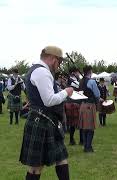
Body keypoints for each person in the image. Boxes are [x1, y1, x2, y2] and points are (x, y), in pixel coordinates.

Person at [19, 46, 73, 180]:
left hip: (46, 120)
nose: (59, 66)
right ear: (53, 59)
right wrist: (66, 92)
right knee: (35, 167)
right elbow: (49, 100)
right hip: (41, 121)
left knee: (61, 158)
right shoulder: (42, 72)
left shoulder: (37, 70)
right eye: (59, 62)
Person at [79, 65, 103, 153]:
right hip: (90, 105)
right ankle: (88, 147)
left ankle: (86, 146)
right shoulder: (92, 82)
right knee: (90, 128)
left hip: (82, 105)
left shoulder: (80, 81)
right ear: (90, 72)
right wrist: (98, 99)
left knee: (85, 127)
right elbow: (97, 94)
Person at [64, 67, 82, 145]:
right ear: (74, 73)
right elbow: (80, 86)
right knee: (76, 122)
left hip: (70, 103)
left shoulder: (71, 80)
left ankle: (72, 140)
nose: (78, 74)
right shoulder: (72, 81)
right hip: (74, 103)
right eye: (78, 72)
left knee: (72, 123)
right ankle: (79, 140)